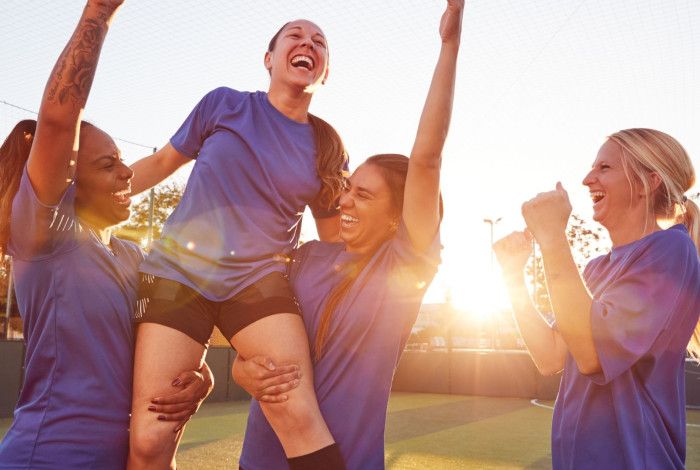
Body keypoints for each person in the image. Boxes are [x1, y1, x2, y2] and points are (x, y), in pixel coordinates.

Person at [231, 1, 463, 468]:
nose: (345, 201)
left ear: (397, 218)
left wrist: (449, 46)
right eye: (348, 189)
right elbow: (247, 340)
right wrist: (243, 371)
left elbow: (426, 159)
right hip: (261, 457)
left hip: (344, 459)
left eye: (364, 195)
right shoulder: (303, 258)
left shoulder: (405, 264)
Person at [126, 12, 349, 470]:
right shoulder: (224, 104)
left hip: (259, 282)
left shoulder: (328, 147)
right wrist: (78, 199)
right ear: (269, 58)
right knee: (151, 435)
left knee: (295, 409)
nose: (308, 42)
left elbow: (331, 243)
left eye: (319, 41)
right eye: (295, 35)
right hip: (176, 274)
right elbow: (160, 164)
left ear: (324, 71)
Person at [0, 2, 211, 468]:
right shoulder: (44, 236)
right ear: (69, 180)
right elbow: (58, 119)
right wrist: (99, 12)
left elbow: (162, 339)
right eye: (108, 164)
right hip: (49, 456)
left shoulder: (132, 255)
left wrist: (200, 377)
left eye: (122, 161)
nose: (126, 174)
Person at [493, 128, 700, 469]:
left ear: (648, 182)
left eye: (604, 167)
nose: (588, 179)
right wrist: (513, 276)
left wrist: (551, 237)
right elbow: (549, 356)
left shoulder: (671, 249)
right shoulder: (595, 270)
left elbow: (592, 357)